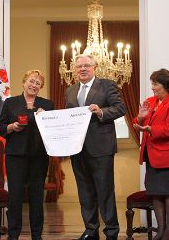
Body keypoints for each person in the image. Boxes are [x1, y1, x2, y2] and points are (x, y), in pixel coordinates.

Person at [65, 54, 126, 240]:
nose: (82, 69)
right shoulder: (70, 90)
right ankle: (91, 230)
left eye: (86, 65)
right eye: (79, 66)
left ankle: (111, 232)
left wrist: (101, 111)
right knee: (85, 193)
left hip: (101, 148)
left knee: (105, 191)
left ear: (94, 67)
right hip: (77, 148)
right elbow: (68, 116)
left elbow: (120, 108)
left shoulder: (107, 85)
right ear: (75, 70)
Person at [0, 70, 54, 240]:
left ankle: (37, 235)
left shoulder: (48, 104)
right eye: (31, 81)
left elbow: (54, 128)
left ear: (40, 87)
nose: (34, 85)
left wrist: (47, 119)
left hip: (39, 156)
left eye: (38, 83)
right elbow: (0, 128)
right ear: (24, 82)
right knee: (15, 196)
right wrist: (12, 127)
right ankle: (13, 235)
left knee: (37, 197)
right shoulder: (10, 103)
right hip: (15, 156)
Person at [133, 69, 169, 240]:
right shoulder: (150, 102)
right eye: (152, 83)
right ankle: (161, 229)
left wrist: (149, 128)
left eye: (155, 84)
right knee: (156, 193)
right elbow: (136, 122)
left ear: (165, 85)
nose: (152, 87)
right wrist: (141, 119)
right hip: (152, 156)